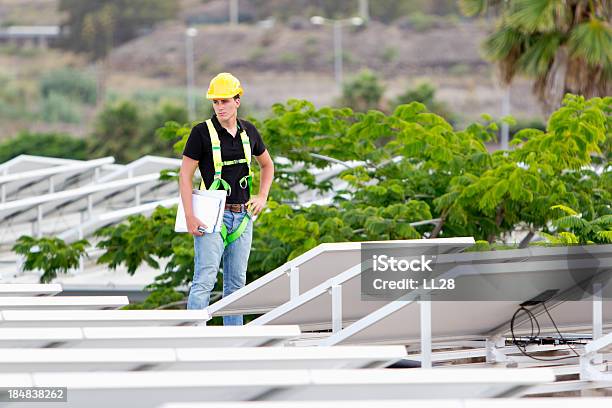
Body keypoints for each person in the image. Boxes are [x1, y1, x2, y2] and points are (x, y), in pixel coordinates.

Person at [179, 72, 274, 325]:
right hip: (212, 217)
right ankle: (193, 338)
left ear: (237, 101)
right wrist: (189, 216)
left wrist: (262, 196)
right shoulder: (201, 133)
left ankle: (234, 340)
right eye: (215, 102)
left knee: (236, 285)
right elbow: (185, 176)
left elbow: (267, 165)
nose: (220, 107)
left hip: (242, 216)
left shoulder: (249, 132)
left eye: (224, 101)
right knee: (204, 280)